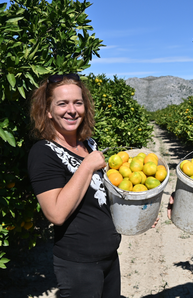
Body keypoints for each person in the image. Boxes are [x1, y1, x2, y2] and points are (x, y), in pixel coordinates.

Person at [27, 74, 122, 297]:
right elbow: (56, 213)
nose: (72, 110)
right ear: (48, 111)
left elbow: (100, 197)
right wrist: (87, 167)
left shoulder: (88, 145)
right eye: (62, 103)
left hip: (109, 257)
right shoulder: (43, 153)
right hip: (79, 263)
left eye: (78, 103)